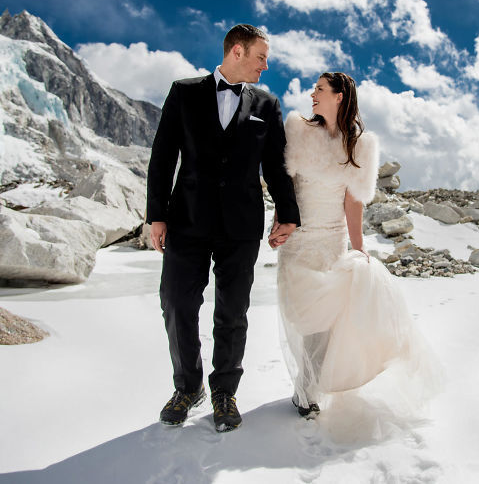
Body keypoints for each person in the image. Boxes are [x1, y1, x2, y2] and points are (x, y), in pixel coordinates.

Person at [146, 24, 300, 433]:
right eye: (261, 57)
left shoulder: (267, 104)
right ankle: (188, 386)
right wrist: (155, 215)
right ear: (236, 51)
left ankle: (224, 391)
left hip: (241, 225)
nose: (266, 66)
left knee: (232, 312)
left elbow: (277, 167)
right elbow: (163, 156)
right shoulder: (184, 92)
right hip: (186, 220)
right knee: (177, 304)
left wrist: (288, 214)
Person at [276, 72, 442, 441]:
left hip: (331, 242)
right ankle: (308, 383)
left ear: (339, 96)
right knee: (300, 312)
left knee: (324, 318)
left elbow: (353, 201)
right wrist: (280, 222)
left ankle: (309, 389)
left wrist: (358, 246)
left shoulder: (360, 145)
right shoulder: (298, 129)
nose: (312, 94)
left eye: (319, 89)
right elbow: (284, 185)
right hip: (299, 239)